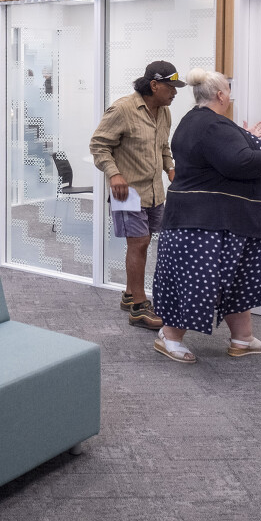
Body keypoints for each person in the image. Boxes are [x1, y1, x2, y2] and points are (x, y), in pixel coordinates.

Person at [149, 68, 261, 363]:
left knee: (236, 280)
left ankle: (242, 338)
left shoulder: (198, 120)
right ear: (221, 95)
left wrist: (248, 137)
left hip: (216, 219)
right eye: (228, 90)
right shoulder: (213, 125)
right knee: (199, 283)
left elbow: (221, 156)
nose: (230, 95)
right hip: (203, 222)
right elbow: (243, 163)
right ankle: (169, 336)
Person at [89, 59, 185, 331]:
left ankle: (130, 294)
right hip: (127, 192)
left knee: (143, 241)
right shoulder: (123, 109)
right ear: (154, 85)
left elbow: (163, 146)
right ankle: (139, 307)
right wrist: (114, 174)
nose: (175, 92)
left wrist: (170, 168)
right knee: (139, 242)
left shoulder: (164, 112)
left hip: (154, 192)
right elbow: (98, 145)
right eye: (171, 87)